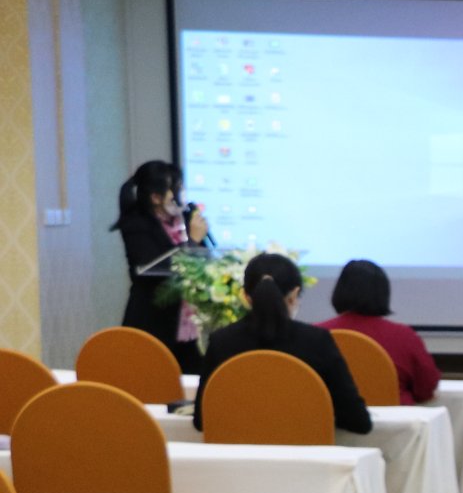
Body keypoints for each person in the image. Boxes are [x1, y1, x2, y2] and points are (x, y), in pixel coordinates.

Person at [193, 253, 373, 436]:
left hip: (236, 452)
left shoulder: (221, 342)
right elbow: (359, 422)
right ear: (294, 295)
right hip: (305, 450)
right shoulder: (317, 341)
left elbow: (201, 420)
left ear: (246, 297)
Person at [111, 160, 209, 373]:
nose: (180, 194)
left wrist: (200, 241)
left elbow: (202, 259)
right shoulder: (136, 224)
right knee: (154, 383)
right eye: (174, 189)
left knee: (193, 382)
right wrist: (192, 242)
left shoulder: (185, 218)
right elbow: (155, 265)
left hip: (187, 325)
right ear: (155, 197)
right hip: (153, 321)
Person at [320, 259, 442, 404]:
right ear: (383, 293)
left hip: (333, 417)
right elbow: (426, 388)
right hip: (394, 416)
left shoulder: (316, 334)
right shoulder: (404, 336)